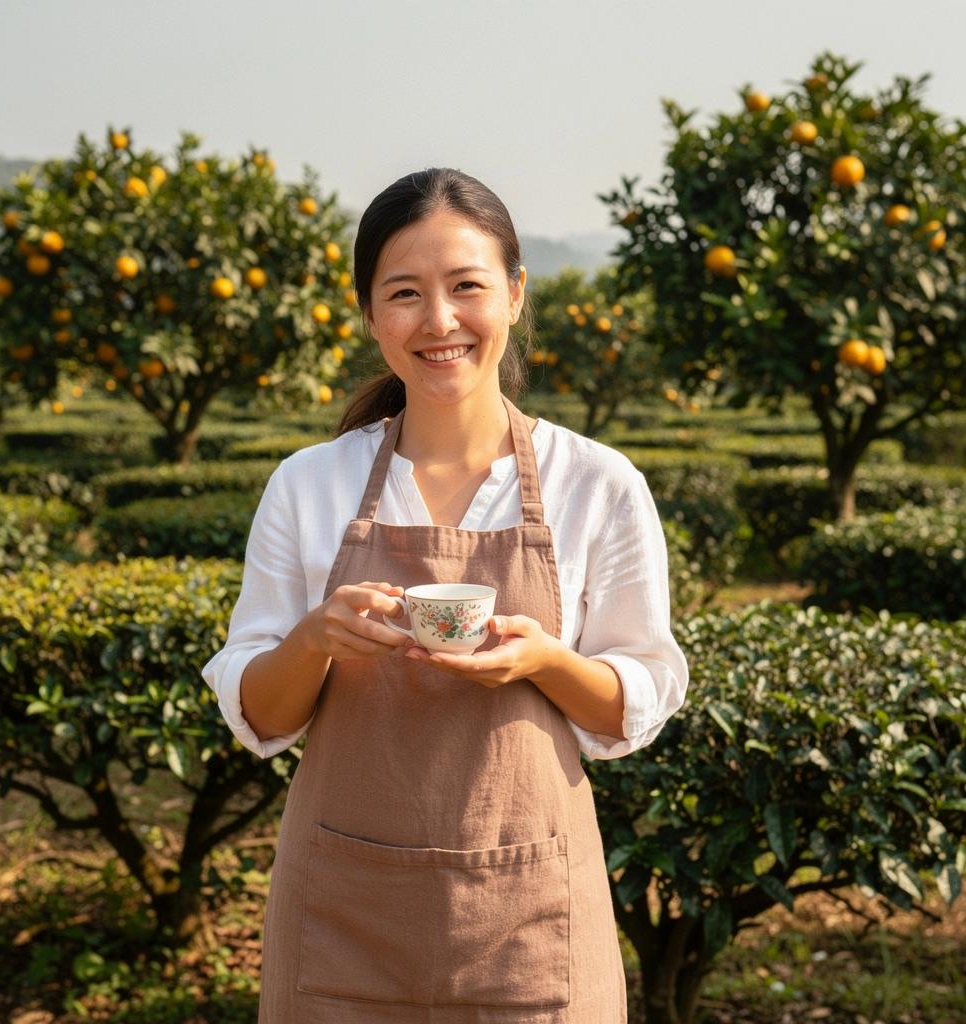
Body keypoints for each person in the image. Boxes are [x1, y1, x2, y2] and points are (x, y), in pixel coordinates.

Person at [201, 167, 689, 1023]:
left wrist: (544, 661)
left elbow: (631, 706)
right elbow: (263, 717)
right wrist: (315, 639)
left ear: (514, 292)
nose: (439, 321)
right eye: (404, 294)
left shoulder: (596, 484)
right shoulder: (310, 485)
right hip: (343, 918)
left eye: (466, 286)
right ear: (368, 314)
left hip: (531, 920)